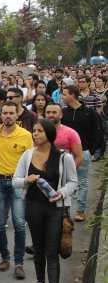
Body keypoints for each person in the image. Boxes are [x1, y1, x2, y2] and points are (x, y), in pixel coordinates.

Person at [13, 119, 78, 283]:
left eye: (40, 131)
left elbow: (73, 182)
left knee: (51, 250)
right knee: (39, 248)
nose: (35, 134)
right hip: (33, 206)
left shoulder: (63, 157)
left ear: (49, 134)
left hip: (55, 208)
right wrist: (26, 179)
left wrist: (63, 192)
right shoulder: (27, 155)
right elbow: (15, 181)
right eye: (34, 131)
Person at [0, 101, 34, 279]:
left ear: (17, 115)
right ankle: (5, 258)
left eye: (11, 113)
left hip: (17, 183)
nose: (7, 116)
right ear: (1, 115)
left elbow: (31, 161)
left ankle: (18, 262)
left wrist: (27, 181)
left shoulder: (26, 135)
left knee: (19, 223)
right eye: (4, 113)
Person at [61, 85, 99, 222]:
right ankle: (64, 211)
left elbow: (96, 132)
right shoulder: (63, 112)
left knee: (82, 182)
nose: (62, 97)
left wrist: (91, 150)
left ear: (73, 95)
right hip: (65, 153)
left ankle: (80, 210)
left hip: (83, 152)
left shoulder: (89, 112)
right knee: (65, 181)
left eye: (64, 94)